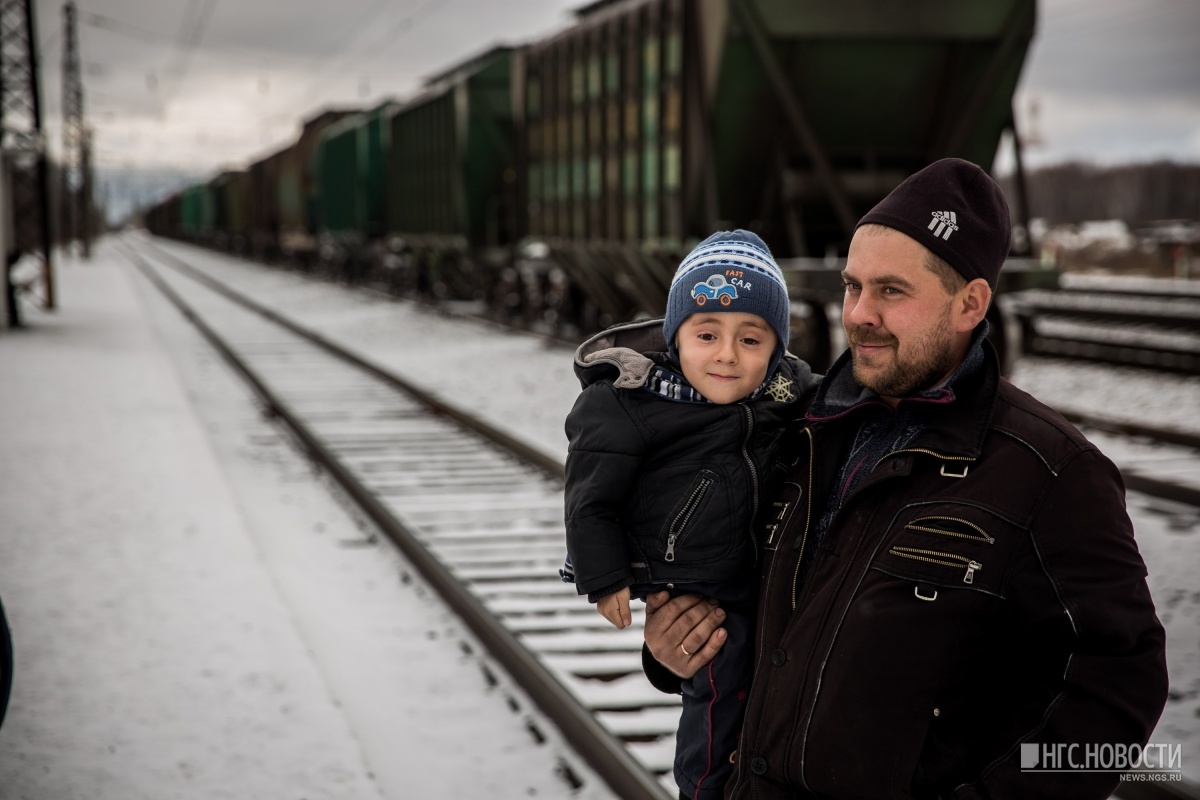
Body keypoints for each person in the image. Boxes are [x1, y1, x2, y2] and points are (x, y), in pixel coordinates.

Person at [642, 159, 1169, 800]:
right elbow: (743, 600)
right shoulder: (795, 429)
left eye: (891, 291)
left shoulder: (1051, 473)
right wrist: (675, 649)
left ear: (970, 303)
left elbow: (1117, 690)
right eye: (852, 286)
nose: (859, 314)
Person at [561, 230, 814, 800]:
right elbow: (589, 499)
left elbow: (829, 393)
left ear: (775, 351)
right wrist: (604, 579)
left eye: (751, 340)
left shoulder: (782, 392)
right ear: (675, 337)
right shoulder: (633, 402)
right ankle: (702, 789)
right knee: (718, 693)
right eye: (707, 334)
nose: (727, 354)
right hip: (692, 585)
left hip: (751, 577)